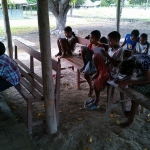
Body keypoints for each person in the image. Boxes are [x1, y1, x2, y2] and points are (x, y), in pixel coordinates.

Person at [117, 54, 150, 128]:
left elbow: (148, 80)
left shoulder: (143, 62)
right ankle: (134, 112)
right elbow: (129, 74)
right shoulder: (130, 60)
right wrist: (122, 79)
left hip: (148, 77)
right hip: (145, 73)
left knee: (137, 94)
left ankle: (130, 120)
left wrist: (129, 81)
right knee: (134, 91)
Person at [80, 30, 106, 97]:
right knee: (85, 74)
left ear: (97, 39)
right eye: (90, 38)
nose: (90, 39)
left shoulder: (101, 47)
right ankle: (91, 87)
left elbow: (100, 58)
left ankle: (96, 87)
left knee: (93, 77)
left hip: (97, 64)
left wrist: (91, 52)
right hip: (90, 62)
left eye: (91, 38)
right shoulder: (91, 44)